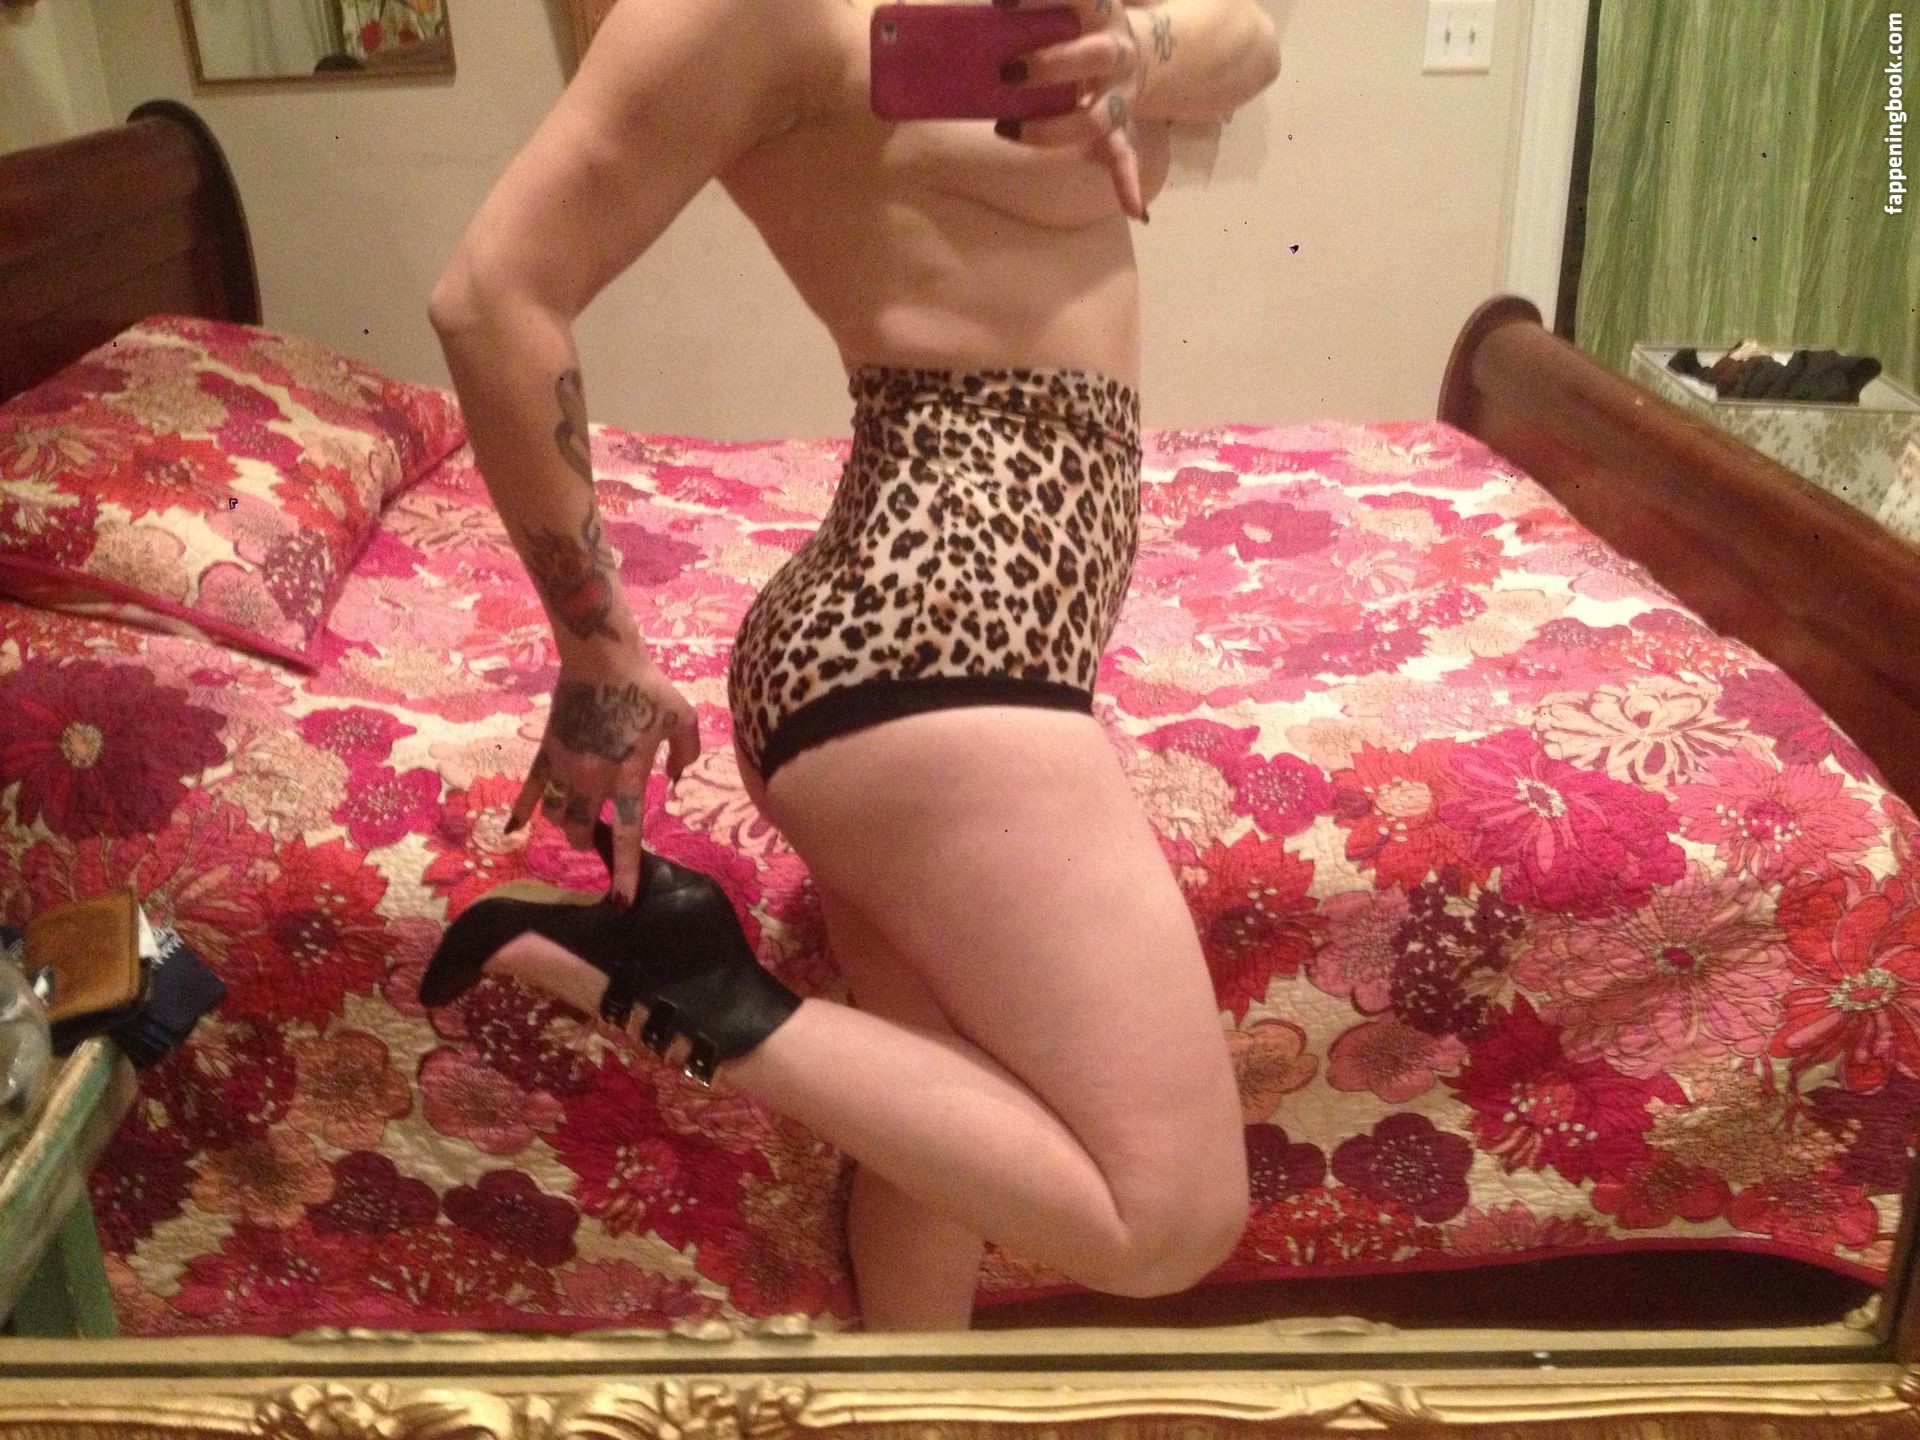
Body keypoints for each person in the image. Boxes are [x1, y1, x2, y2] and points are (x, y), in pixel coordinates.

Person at [425, 0, 1283, 1333]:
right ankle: (679, 981)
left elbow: (1251, 42)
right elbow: (492, 297)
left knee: (935, 1105)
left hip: (960, 647)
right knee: (1168, 1215)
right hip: (934, 637)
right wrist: (597, 653)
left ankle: (908, 1402)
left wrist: (1136, 52)